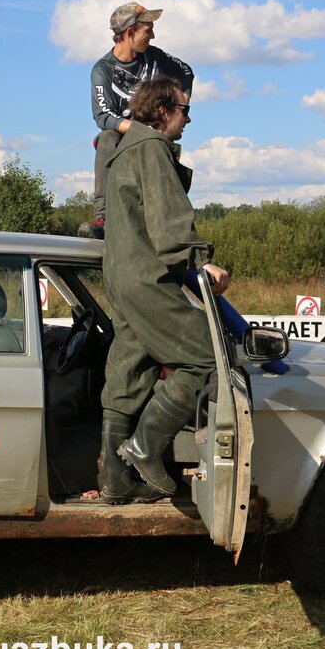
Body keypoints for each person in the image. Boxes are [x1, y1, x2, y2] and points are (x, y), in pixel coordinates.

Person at [98, 75, 229, 504]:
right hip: (148, 277)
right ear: (162, 111)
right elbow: (166, 215)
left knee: (128, 370)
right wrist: (199, 260)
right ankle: (144, 446)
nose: (189, 120)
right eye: (185, 110)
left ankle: (116, 483)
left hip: (120, 275)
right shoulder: (151, 147)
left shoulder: (119, 150)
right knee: (209, 357)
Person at [79, 1, 194, 240]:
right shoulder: (103, 70)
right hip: (123, 136)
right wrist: (138, 130)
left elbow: (186, 72)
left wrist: (180, 108)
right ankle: (103, 219)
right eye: (148, 30)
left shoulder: (156, 57)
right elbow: (103, 115)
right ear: (130, 32)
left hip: (156, 134)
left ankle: (173, 222)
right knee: (107, 138)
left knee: (162, 146)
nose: (153, 35)